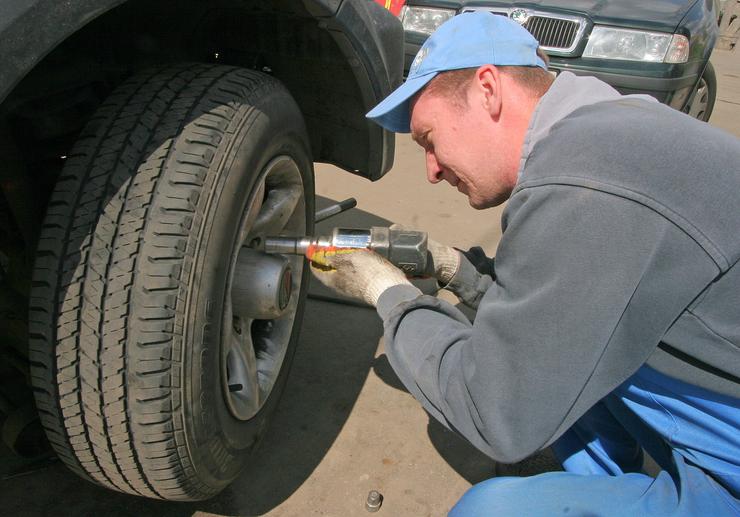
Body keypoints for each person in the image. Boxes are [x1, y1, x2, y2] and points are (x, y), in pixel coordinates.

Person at [309, 12, 740, 516]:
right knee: (561, 351)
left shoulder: (584, 185)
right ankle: (604, 483)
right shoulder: (604, 132)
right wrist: (459, 272)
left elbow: (493, 411)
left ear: (488, 89)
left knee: (490, 511)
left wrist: (391, 296)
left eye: (429, 140)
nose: (431, 171)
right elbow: (551, 314)